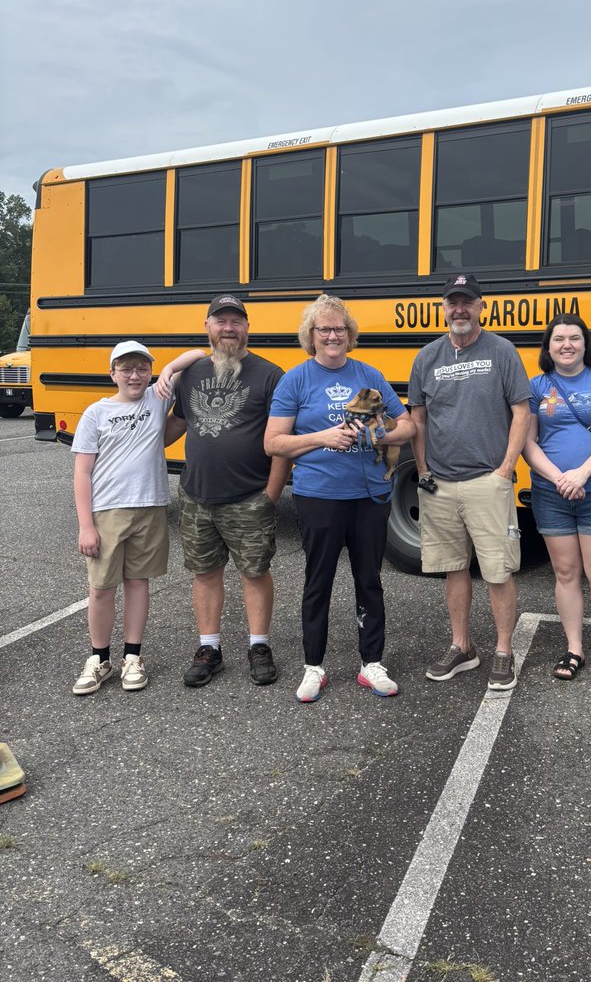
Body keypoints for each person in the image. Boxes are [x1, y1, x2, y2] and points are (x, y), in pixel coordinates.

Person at [264, 295, 414, 703]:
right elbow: (274, 443)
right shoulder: (295, 380)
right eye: (324, 329)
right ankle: (314, 666)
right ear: (310, 336)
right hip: (319, 495)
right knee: (319, 581)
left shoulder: (368, 374)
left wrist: (379, 434)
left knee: (369, 580)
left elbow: (408, 425)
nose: (332, 335)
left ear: (350, 335)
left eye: (340, 329)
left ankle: (371, 664)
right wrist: (323, 437)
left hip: (369, 495)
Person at [408, 273, 531, 691]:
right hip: (439, 483)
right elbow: (418, 419)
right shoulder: (427, 357)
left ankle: (502, 650)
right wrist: (422, 471)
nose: (460, 309)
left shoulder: (502, 351)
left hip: (487, 480)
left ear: (482, 306)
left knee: (497, 571)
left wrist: (505, 469)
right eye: (452, 302)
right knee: (453, 569)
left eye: (467, 302)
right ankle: (462, 647)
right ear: (443, 308)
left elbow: (521, 411)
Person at [167, 296, 292, 689]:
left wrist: (271, 494)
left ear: (247, 329)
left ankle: (259, 646)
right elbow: (177, 426)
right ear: (207, 327)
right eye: (221, 321)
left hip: (249, 496)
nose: (229, 328)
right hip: (196, 495)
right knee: (205, 573)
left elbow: (282, 441)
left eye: (236, 322)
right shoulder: (191, 375)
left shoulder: (270, 375)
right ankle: (210, 649)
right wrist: (136, 438)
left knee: (255, 572)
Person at [72, 340, 205, 695]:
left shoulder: (156, 397)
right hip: (107, 511)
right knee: (101, 589)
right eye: (126, 368)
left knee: (138, 583)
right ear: (112, 373)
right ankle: (99, 658)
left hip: (150, 506)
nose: (134, 375)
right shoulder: (96, 413)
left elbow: (199, 354)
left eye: (142, 368)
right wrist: (86, 525)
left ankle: (133, 656)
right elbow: (82, 473)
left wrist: (171, 370)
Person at [523, 313, 591, 681]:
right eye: (558, 339)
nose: (566, 345)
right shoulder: (536, 386)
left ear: (586, 344)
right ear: (548, 347)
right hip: (551, 493)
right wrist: (558, 479)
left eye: (574, 338)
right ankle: (574, 649)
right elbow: (527, 441)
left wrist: (582, 473)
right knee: (565, 572)